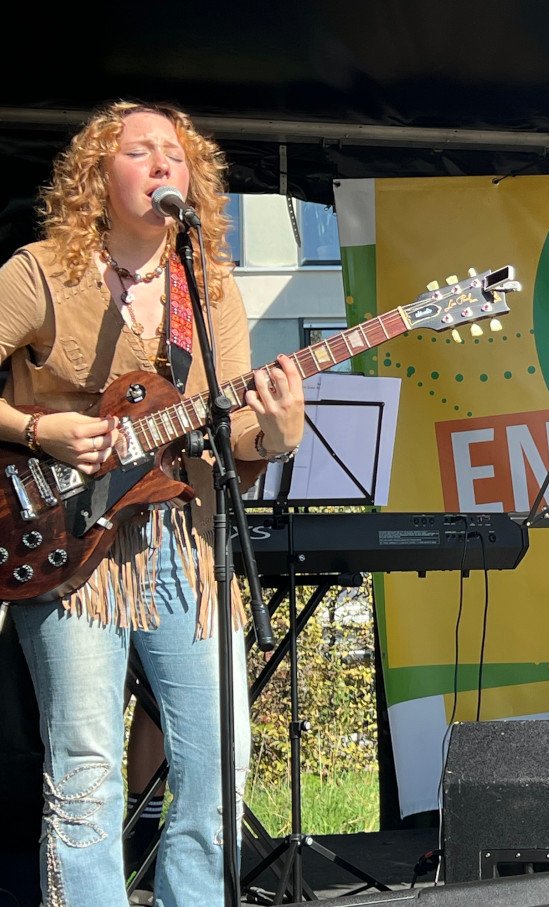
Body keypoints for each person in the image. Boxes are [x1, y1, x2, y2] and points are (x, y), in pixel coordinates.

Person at [0, 100, 305, 907]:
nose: (163, 162)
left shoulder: (206, 289)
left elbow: (232, 426)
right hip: (67, 547)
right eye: (139, 150)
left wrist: (278, 433)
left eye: (175, 152)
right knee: (88, 766)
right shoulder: (38, 272)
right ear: (97, 177)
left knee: (220, 756)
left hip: (185, 543)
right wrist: (38, 429)